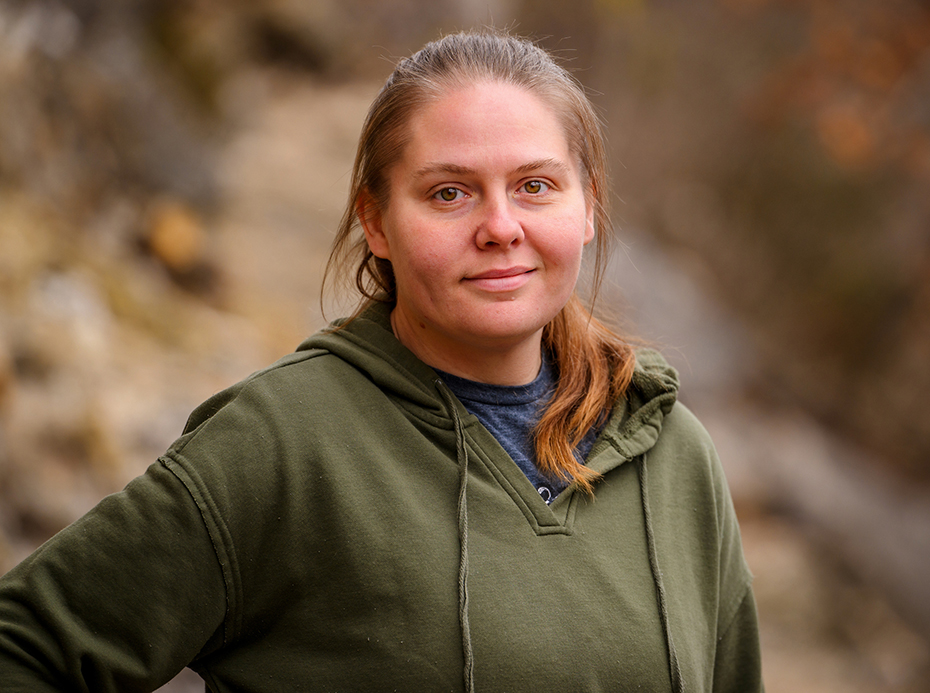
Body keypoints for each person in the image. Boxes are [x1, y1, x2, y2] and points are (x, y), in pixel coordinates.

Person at [0, 30, 763, 692]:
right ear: (377, 221)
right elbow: (24, 646)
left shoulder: (673, 457)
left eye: (535, 186)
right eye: (450, 193)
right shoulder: (284, 442)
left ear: (587, 205)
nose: (501, 226)